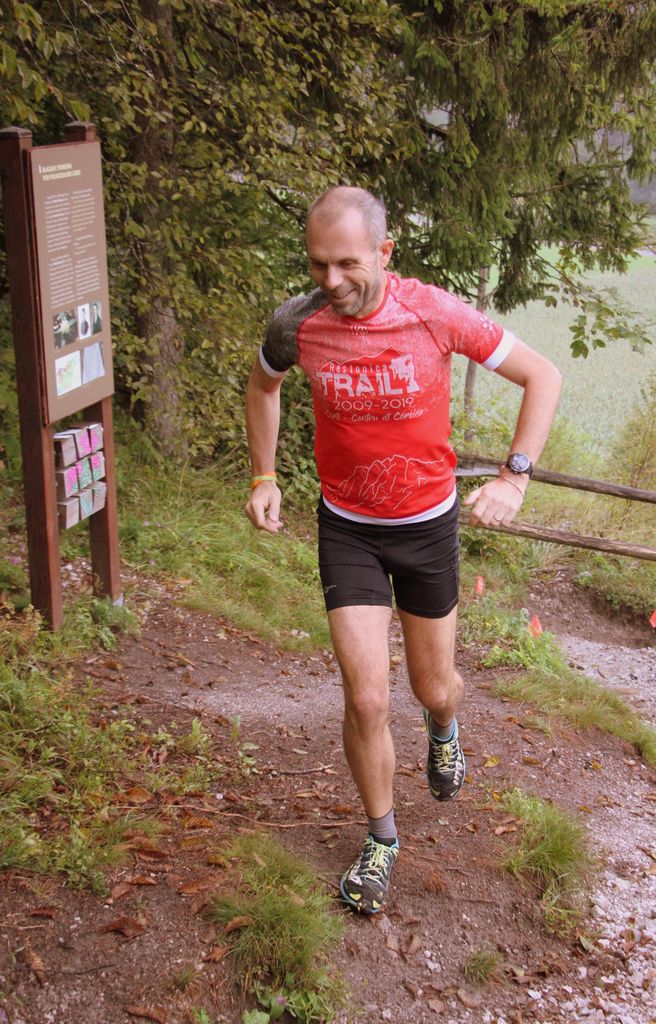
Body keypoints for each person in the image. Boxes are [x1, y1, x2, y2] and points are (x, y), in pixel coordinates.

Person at [244, 186, 562, 915]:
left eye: (347, 263)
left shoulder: (434, 313)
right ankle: (382, 837)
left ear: (385, 252)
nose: (330, 280)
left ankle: (444, 727)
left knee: (433, 686)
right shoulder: (298, 323)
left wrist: (514, 477)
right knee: (365, 696)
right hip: (347, 526)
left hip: (426, 526)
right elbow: (263, 388)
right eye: (317, 263)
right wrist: (264, 475)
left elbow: (542, 375)